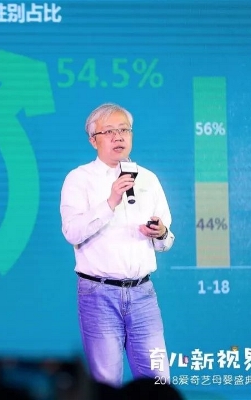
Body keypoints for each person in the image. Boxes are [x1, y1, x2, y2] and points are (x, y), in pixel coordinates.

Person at [59, 103, 175, 388]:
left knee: (158, 382)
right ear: (93, 140)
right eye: (109, 131)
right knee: (106, 382)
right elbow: (72, 232)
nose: (118, 137)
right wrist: (110, 201)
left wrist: (160, 232)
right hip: (99, 293)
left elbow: (166, 241)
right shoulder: (79, 179)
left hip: (143, 294)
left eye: (124, 130)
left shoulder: (148, 179)